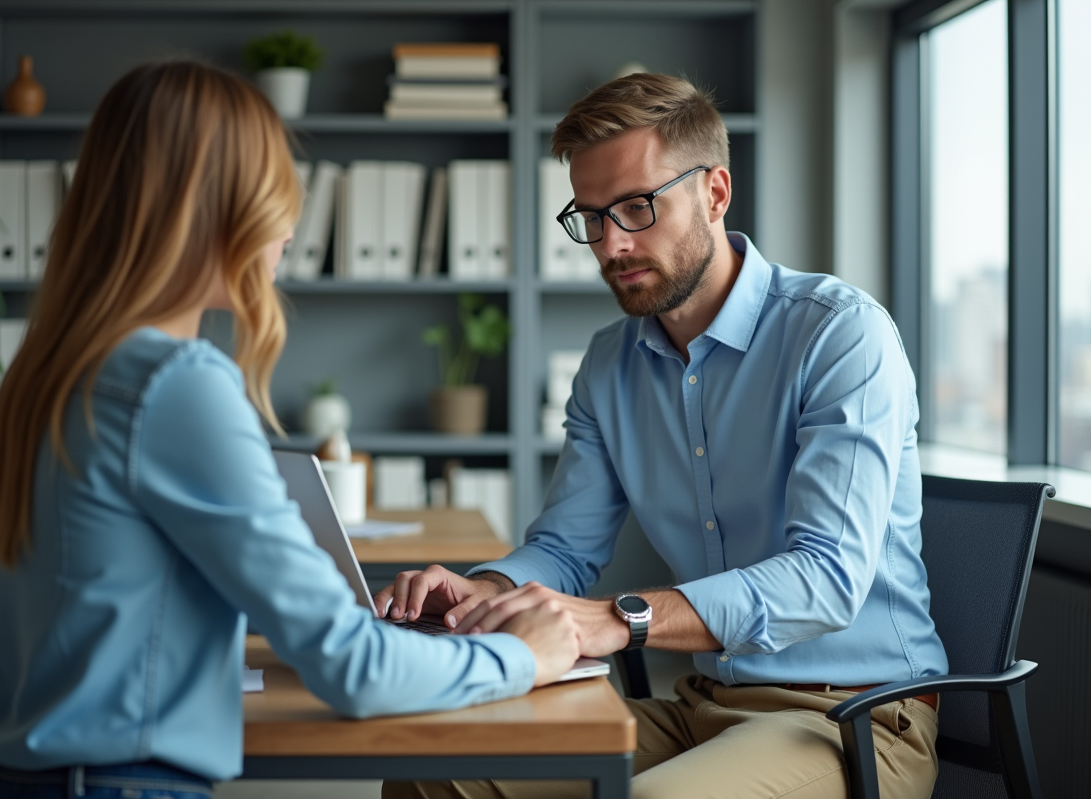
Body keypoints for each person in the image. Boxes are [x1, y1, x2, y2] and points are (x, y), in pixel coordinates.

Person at [0, 60, 580, 799]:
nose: (289, 230)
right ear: (213, 208)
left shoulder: (51, 371)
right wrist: (524, 656)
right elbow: (353, 671)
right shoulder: (174, 385)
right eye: (277, 196)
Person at [380, 73, 948, 799]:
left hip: (853, 719)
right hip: (702, 709)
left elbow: (827, 580)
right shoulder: (609, 365)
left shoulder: (838, 334)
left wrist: (620, 620)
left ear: (714, 193)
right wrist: (483, 591)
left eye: (637, 208)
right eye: (590, 217)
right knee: (437, 766)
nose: (611, 244)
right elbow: (564, 547)